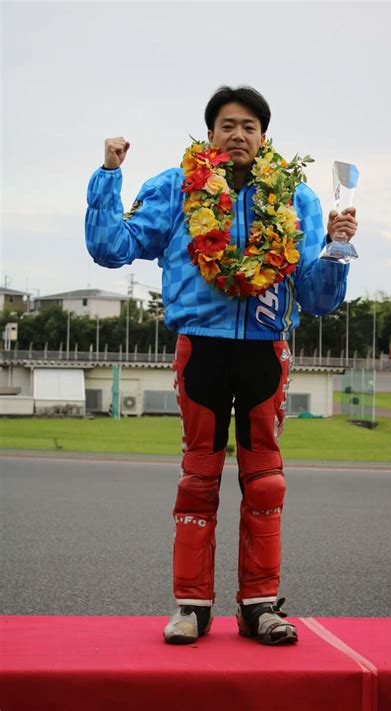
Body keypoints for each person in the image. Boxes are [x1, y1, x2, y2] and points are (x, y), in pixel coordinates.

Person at [85, 85, 357, 646]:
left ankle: (260, 606)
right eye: (228, 124)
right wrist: (108, 176)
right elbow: (111, 246)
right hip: (200, 348)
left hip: (265, 348)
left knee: (266, 483)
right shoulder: (176, 188)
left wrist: (334, 249)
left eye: (249, 126)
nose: (238, 134)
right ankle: (191, 607)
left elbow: (319, 299)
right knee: (197, 479)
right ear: (210, 133)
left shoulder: (295, 198)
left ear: (263, 136)